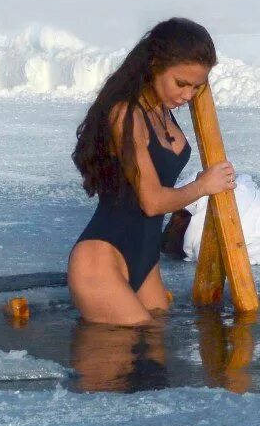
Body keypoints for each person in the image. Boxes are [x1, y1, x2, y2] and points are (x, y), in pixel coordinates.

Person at [69, 18, 236, 325]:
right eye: (181, 83)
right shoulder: (126, 115)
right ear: (155, 65)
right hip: (101, 260)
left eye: (197, 86)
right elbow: (151, 202)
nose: (188, 95)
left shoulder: (160, 109)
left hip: (146, 263)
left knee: (154, 363)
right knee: (121, 358)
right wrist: (202, 186)